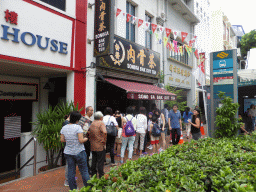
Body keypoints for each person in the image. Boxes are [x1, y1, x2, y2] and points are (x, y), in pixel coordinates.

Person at [60, 111, 90, 190]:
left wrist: (70, 140)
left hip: (68, 152)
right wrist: (86, 138)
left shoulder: (64, 127)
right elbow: (81, 140)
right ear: (78, 119)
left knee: (71, 171)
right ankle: (88, 188)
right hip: (79, 151)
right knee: (84, 171)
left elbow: (62, 140)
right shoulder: (78, 127)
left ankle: (73, 189)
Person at [88, 111, 107, 179]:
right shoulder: (101, 123)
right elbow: (104, 132)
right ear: (101, 117)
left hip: (93, 145)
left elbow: (88, 131)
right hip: (100, 145)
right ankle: (101, 176)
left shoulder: (92, 123)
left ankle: (93, 176)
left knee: (94, 161)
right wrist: (104, 141)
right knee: (100, 162)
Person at [77, 106, 94, 176]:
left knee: (87, 154)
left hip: (88, 139)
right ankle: (86, 169)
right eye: (90, 110)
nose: (92, 112)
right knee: (85, 155)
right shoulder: (83, 119)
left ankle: (86, 168)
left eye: (92, 110)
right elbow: (80, 129)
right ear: (87, 111)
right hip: (84, 140)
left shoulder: (90, 120)